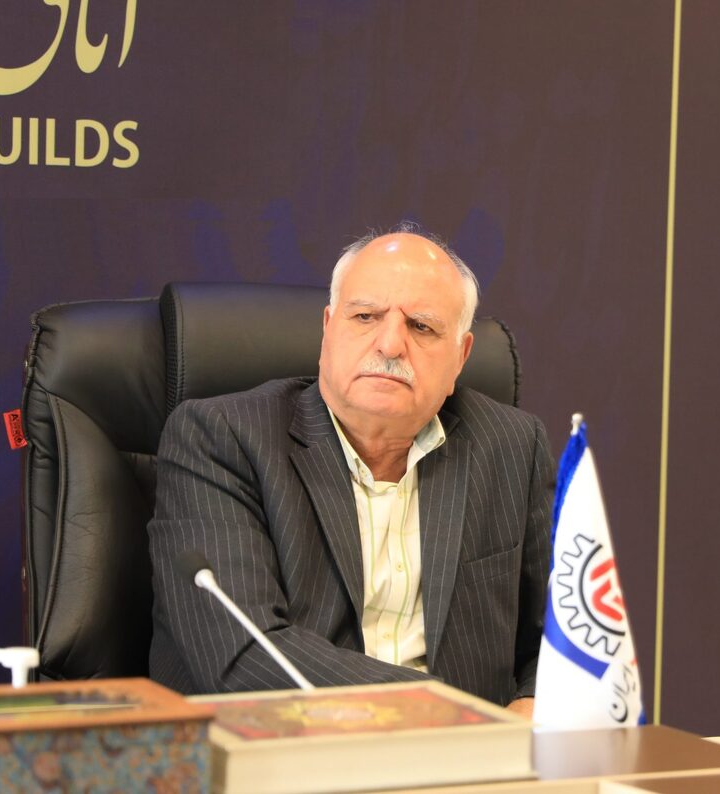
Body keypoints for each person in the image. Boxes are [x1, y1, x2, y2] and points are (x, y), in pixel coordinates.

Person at [147, 226, 553, 714]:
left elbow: (561, 635)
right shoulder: (221, 438)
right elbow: (244, 654)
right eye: (365, 316)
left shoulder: (512, 446)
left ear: (461, 357)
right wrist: (442, 712)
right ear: (328, 330)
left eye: (422, 327)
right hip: (289, 741)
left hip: (475, 753)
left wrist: (532, 700)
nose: (390, 344)